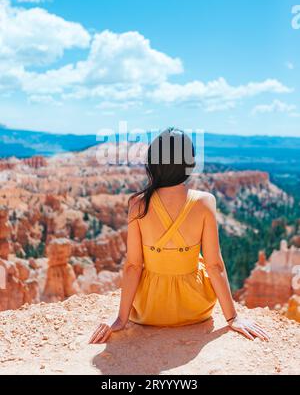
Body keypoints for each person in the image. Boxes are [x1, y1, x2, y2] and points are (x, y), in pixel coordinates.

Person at [89, 128, 269, 344]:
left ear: (153, 163)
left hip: (149, 310)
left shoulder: (138, 204)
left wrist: (121, 318)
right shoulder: (204, 202)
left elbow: (133, 266)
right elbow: (215, 266)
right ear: (189, 164)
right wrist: (233, 317)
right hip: (195, 308)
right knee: (201, 261)